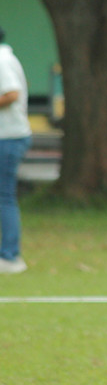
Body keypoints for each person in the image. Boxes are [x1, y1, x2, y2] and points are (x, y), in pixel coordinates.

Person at [0, 25, 31, 274]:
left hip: (8, 137)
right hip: (7, 137)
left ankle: (10, 257)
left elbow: (11, 93)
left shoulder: (1, 59)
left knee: (4, 196)